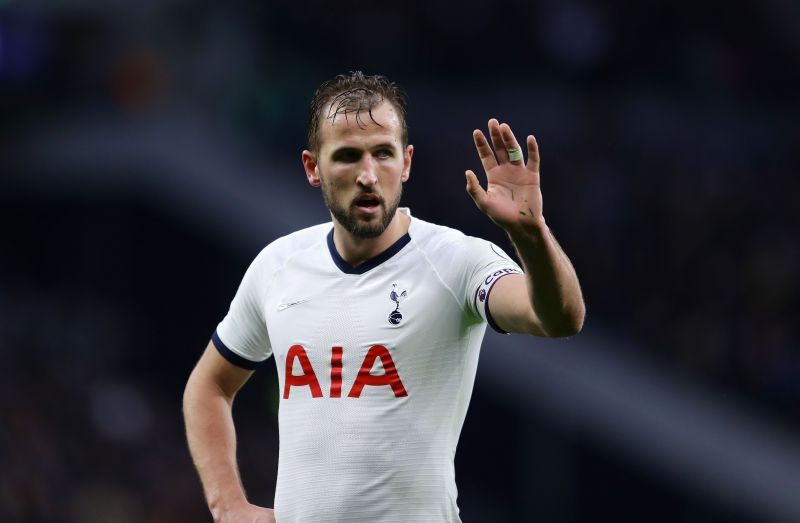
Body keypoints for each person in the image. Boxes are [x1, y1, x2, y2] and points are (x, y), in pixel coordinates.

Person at [183, 71, 585, 523]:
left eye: (383, 154)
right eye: (348, 156)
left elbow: (558, 318)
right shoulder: (278, 267)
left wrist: (532, 236)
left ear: (407, 162)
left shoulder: (455, 261)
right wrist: (228, 506)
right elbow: (209, 385)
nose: (368, 175)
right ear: (312, 167)